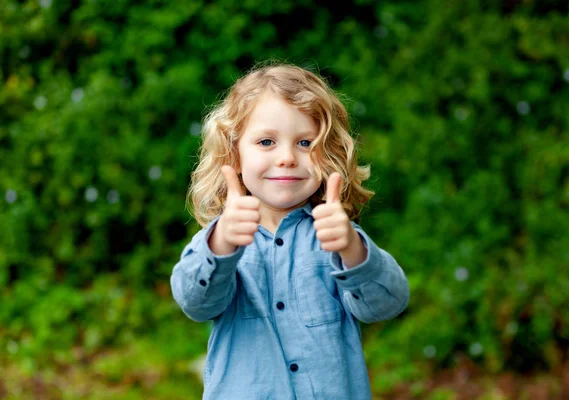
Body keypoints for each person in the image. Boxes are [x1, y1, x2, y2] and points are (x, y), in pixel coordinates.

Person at [170, 62, 409, 399]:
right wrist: (222, 241)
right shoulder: (220, 238)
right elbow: (195, 302)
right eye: (266, 141)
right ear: (235, 154)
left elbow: (387, 305)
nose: (286, 158)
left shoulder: (337, 236)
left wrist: (353, 248)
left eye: (305, 143)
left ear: (328, 154)